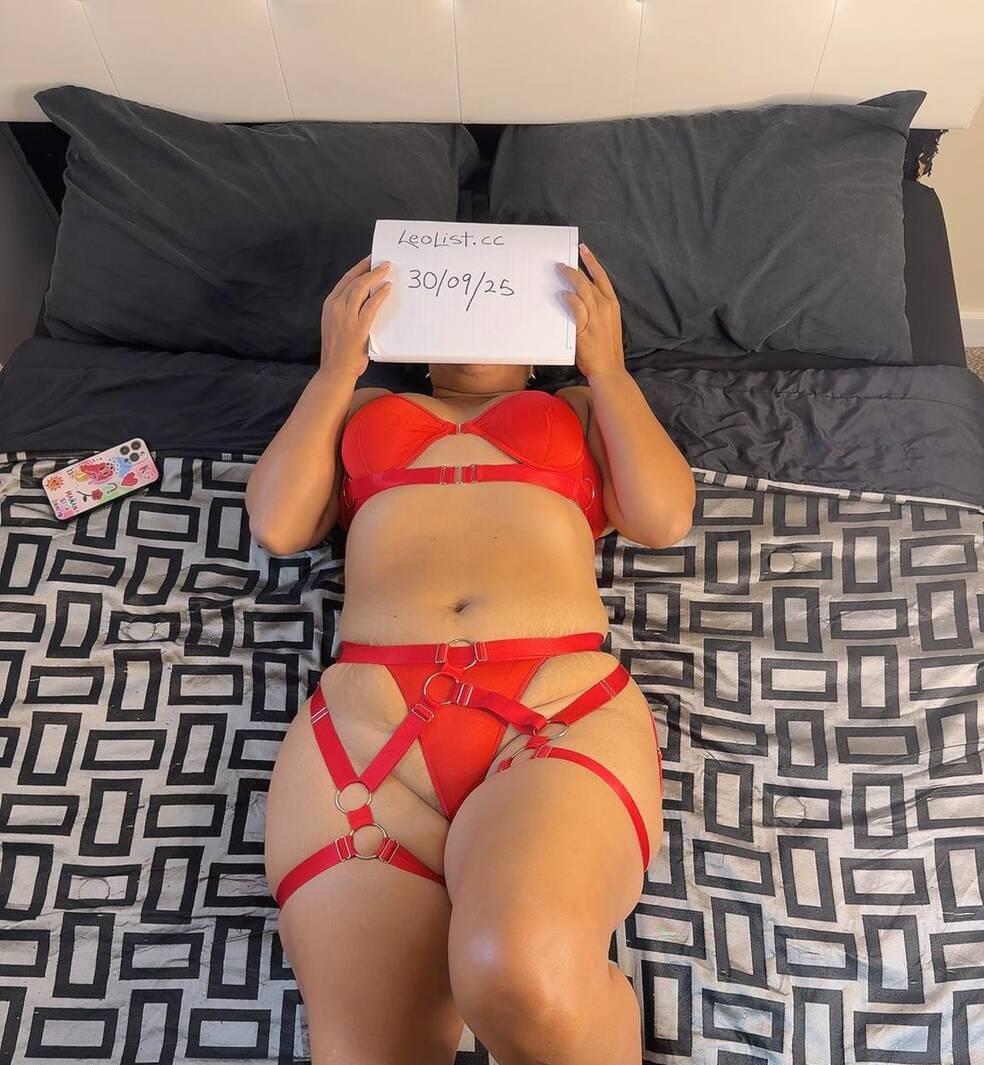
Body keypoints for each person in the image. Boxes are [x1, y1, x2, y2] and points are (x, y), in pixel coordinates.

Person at [245, 243, 695, 1065]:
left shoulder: (579, 405)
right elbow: (278, 523)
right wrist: (336, 369)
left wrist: (608, 369)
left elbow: (663, 516)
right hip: (365, 734)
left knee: (519, 972)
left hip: (554, 708)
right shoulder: (359, 406)